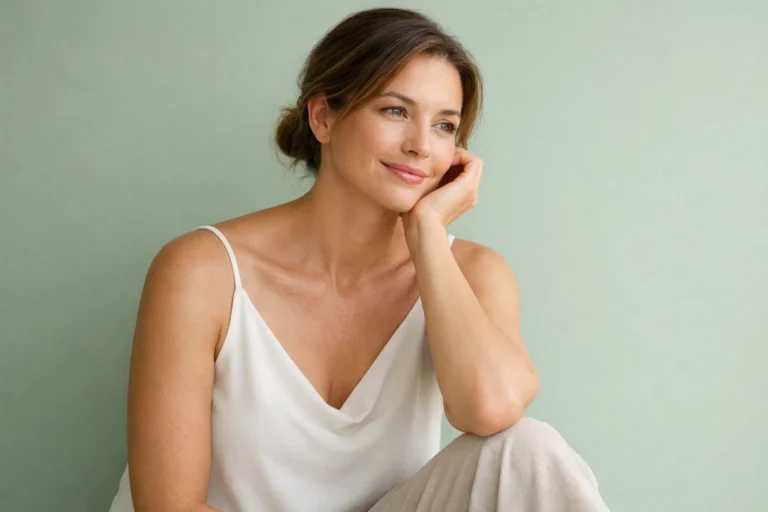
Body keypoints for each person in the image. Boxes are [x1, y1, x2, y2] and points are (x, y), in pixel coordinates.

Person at [109, 7, 609, 512]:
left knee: (530, 450)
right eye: (395, 111)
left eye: (443, 126)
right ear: (323, 116)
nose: (420, 146)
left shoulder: (476, 273)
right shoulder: (200, 272)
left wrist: (428, 237)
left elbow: (492, 407)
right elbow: (168, 507)